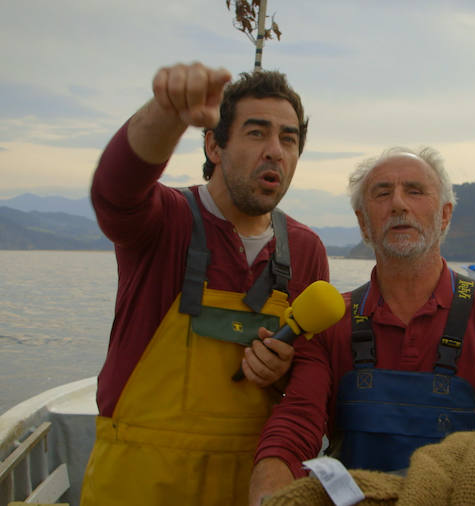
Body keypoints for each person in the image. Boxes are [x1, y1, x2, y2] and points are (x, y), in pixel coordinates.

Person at [248, 146, 475, 504]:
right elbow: (297, 421)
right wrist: (270, 478)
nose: (398, 204)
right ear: (363, 223)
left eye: (415, 191)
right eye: (382, 194)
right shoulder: (330, 324)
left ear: (444, 216)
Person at [80, 62, 330, 505]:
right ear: (214, 144)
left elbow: (312, 377)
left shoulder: (306, 249)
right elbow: (115, 193)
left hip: (249, 488)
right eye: (257, 133)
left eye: (288, 139)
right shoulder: (165, 221)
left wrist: (282, 373)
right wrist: (168, 111)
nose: (275, 151)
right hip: (137, 485)